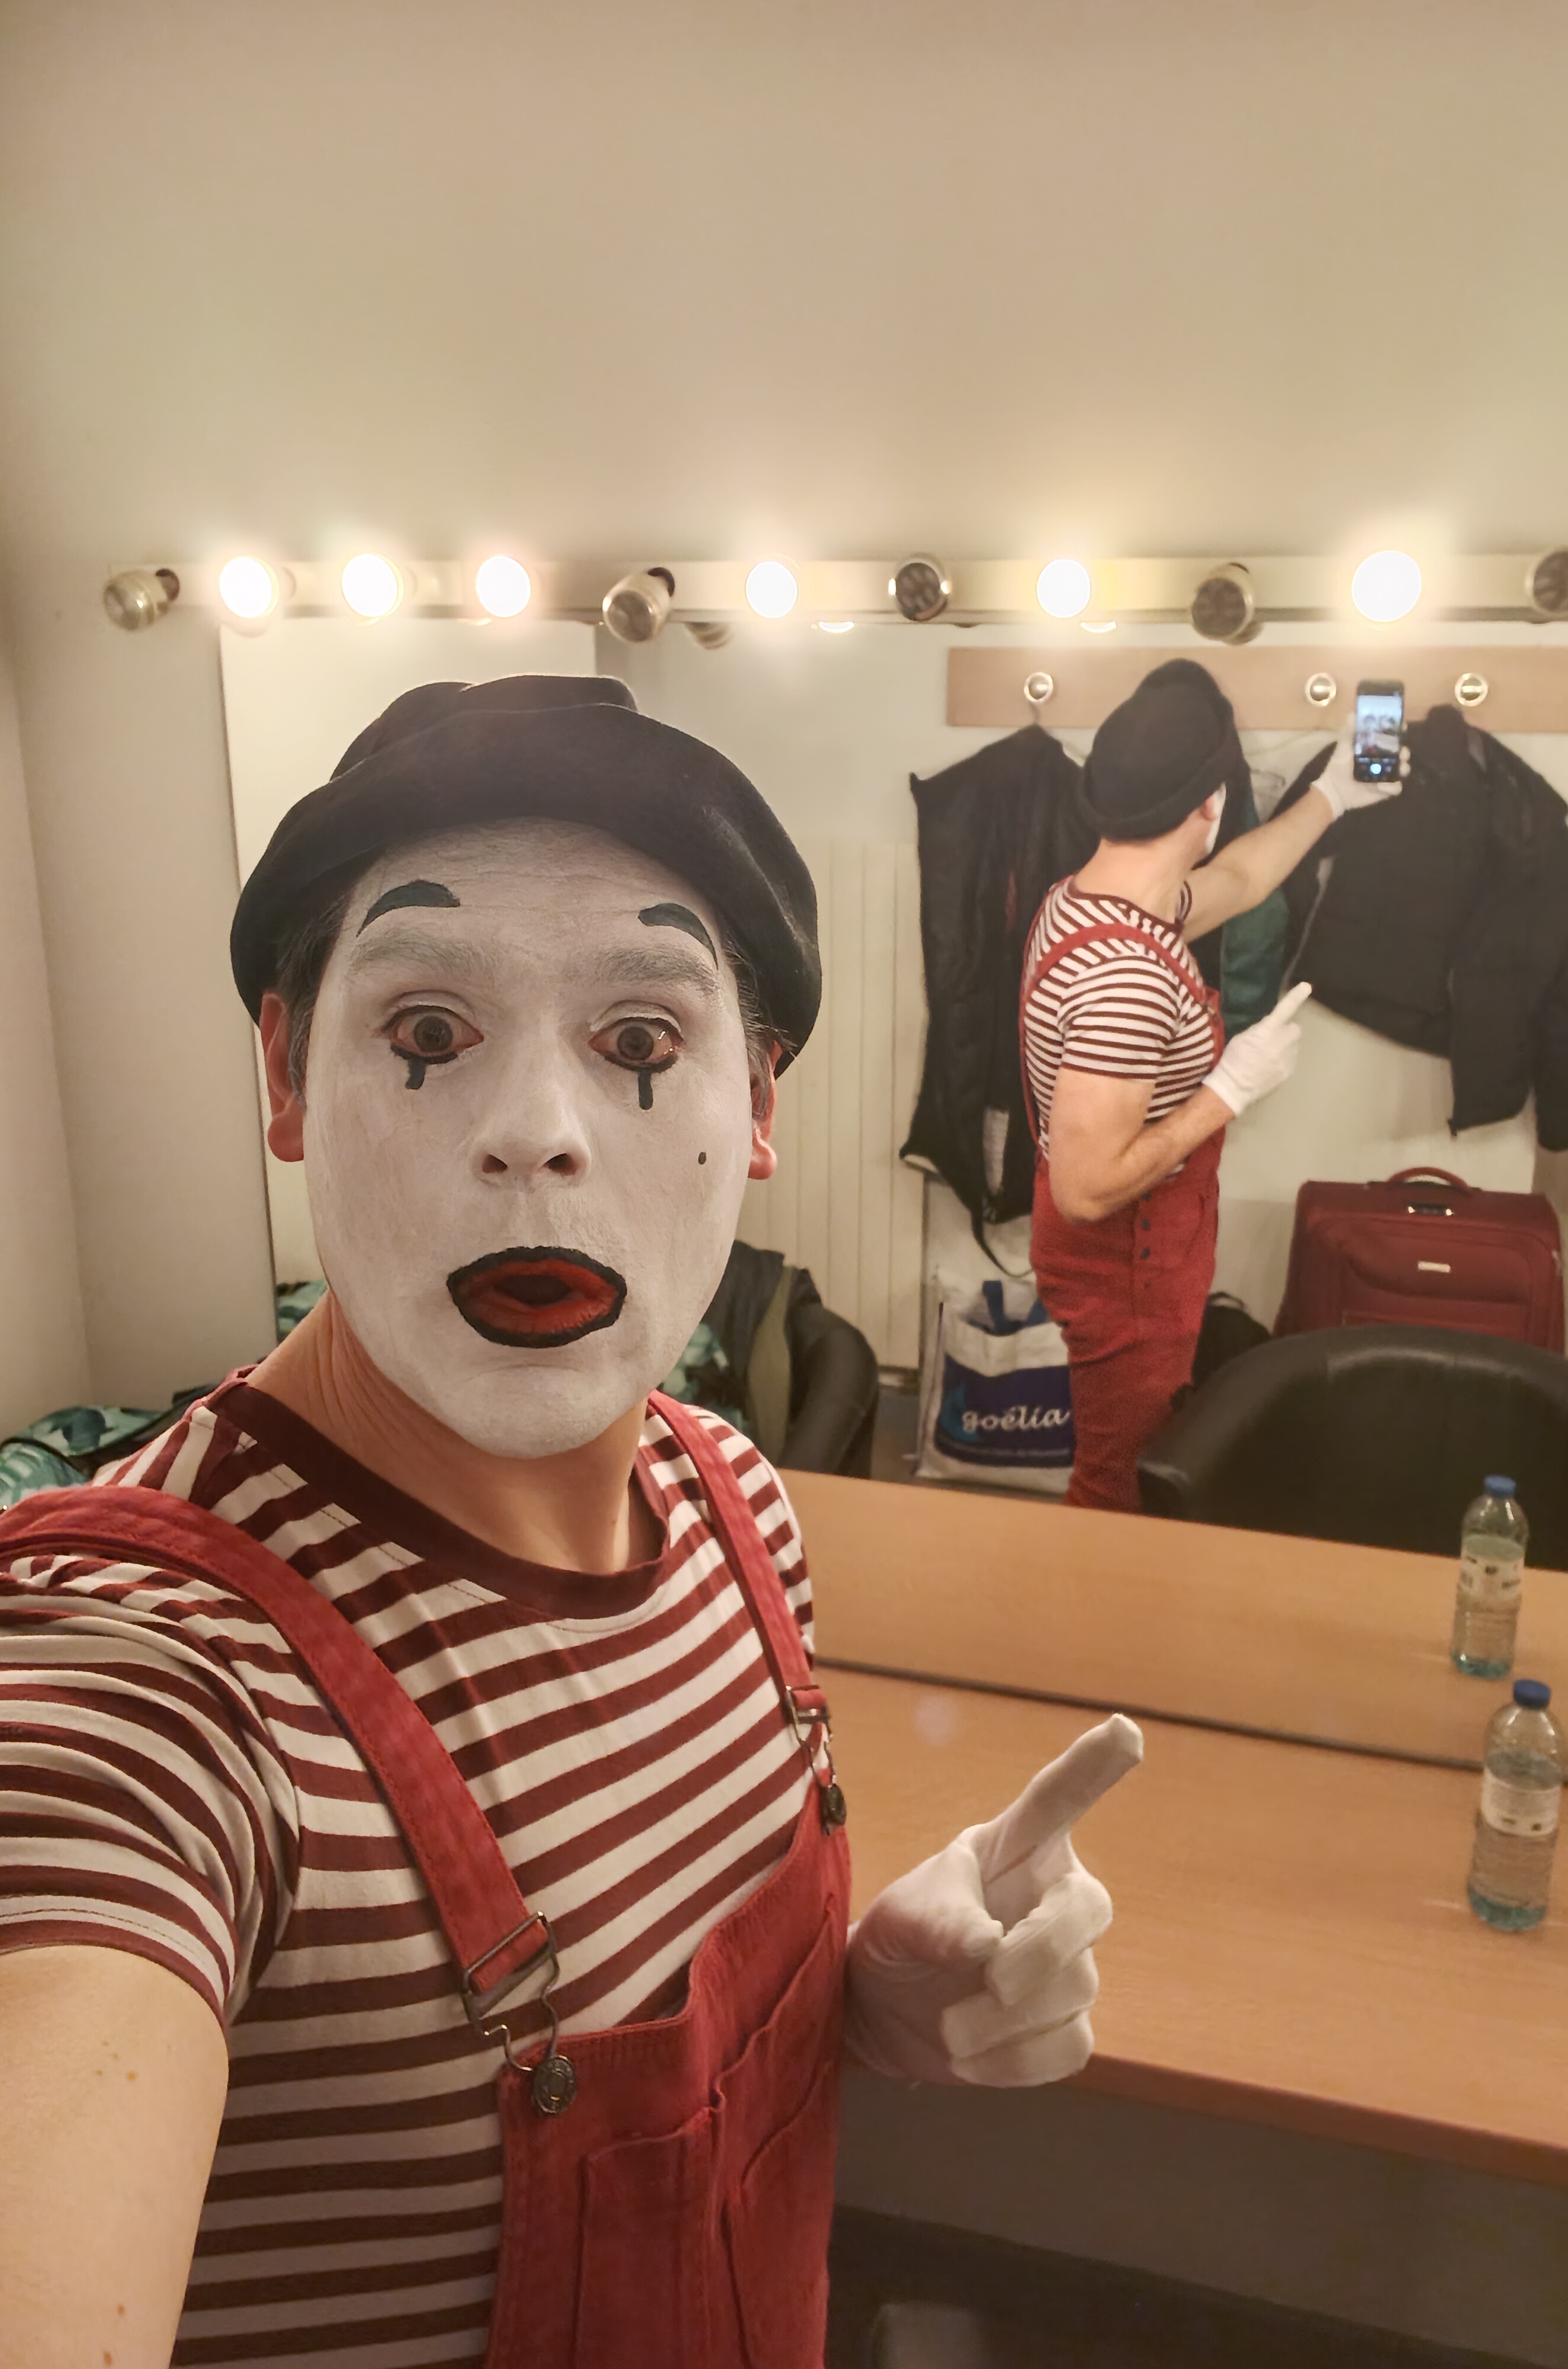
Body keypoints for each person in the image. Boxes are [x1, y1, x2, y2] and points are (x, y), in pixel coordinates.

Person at [0, 674, 1140, 2369]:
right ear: (286, 1074)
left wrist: (865, 2004)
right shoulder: (147, 1695)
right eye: (427, 1032)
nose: (534, 1135)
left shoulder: (736, 1505)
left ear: (759, 1106)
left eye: (640, 1045)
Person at [1021, 659, 1403, 1513]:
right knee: (1120, 1482)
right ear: (1212, 804)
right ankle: (1097, 1601)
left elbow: (1240, 880)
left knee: (1137, 1458)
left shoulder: (1098, 899)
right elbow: (1086, 1188)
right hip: (1126, 1265)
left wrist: (1334, 795)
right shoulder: (1126, 974)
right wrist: (1229, 1090)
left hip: (1138, 1253)